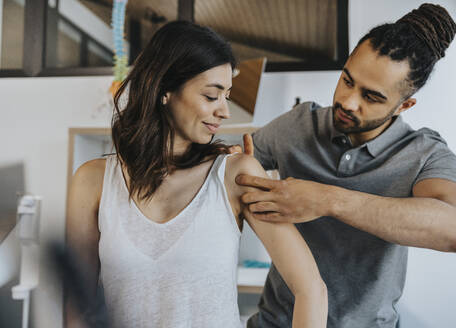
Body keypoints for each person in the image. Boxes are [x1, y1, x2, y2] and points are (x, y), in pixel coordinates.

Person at [65, 21, 327, 328]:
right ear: (164, 90)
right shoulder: (92, 181)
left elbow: (311, 290)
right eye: (211, 96)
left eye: (226, 96)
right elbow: (77, 307)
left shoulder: (236, 174)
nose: (224, 112)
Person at [237, 4, 456, 328]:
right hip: (275, 322)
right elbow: (233, 163)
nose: (348, 101)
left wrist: (327, 200)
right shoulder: (298, 125)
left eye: (371, 97)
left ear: (404, 105)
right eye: (347, 80)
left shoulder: (422, 154)